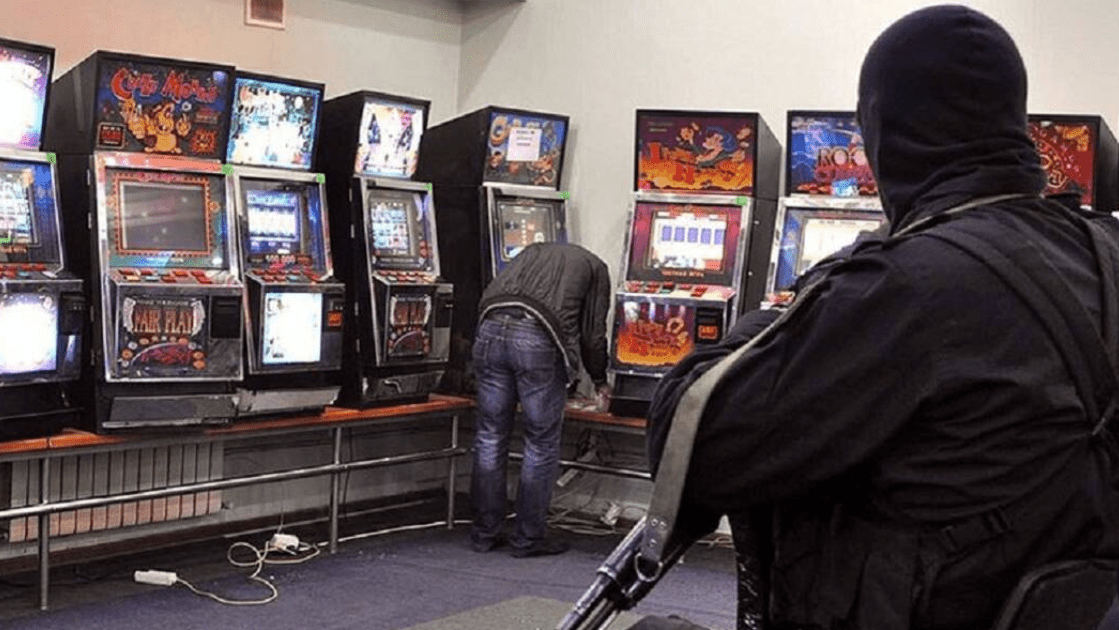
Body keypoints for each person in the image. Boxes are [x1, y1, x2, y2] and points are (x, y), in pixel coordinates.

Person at [634, 5, 1119, 630]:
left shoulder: (907, 282)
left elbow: (688, 445)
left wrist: (802, 298)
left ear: (883, 133)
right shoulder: (1105, 249)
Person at [469, 242, 612, 558]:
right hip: (536, 336)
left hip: (489, 327)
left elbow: (490, 294)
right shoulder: (596, 267)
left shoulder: (531, 250)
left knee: (490, 436)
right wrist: (600, 379)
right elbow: (592, 334)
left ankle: (484, 533)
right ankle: (528, 538)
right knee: (540, 442)